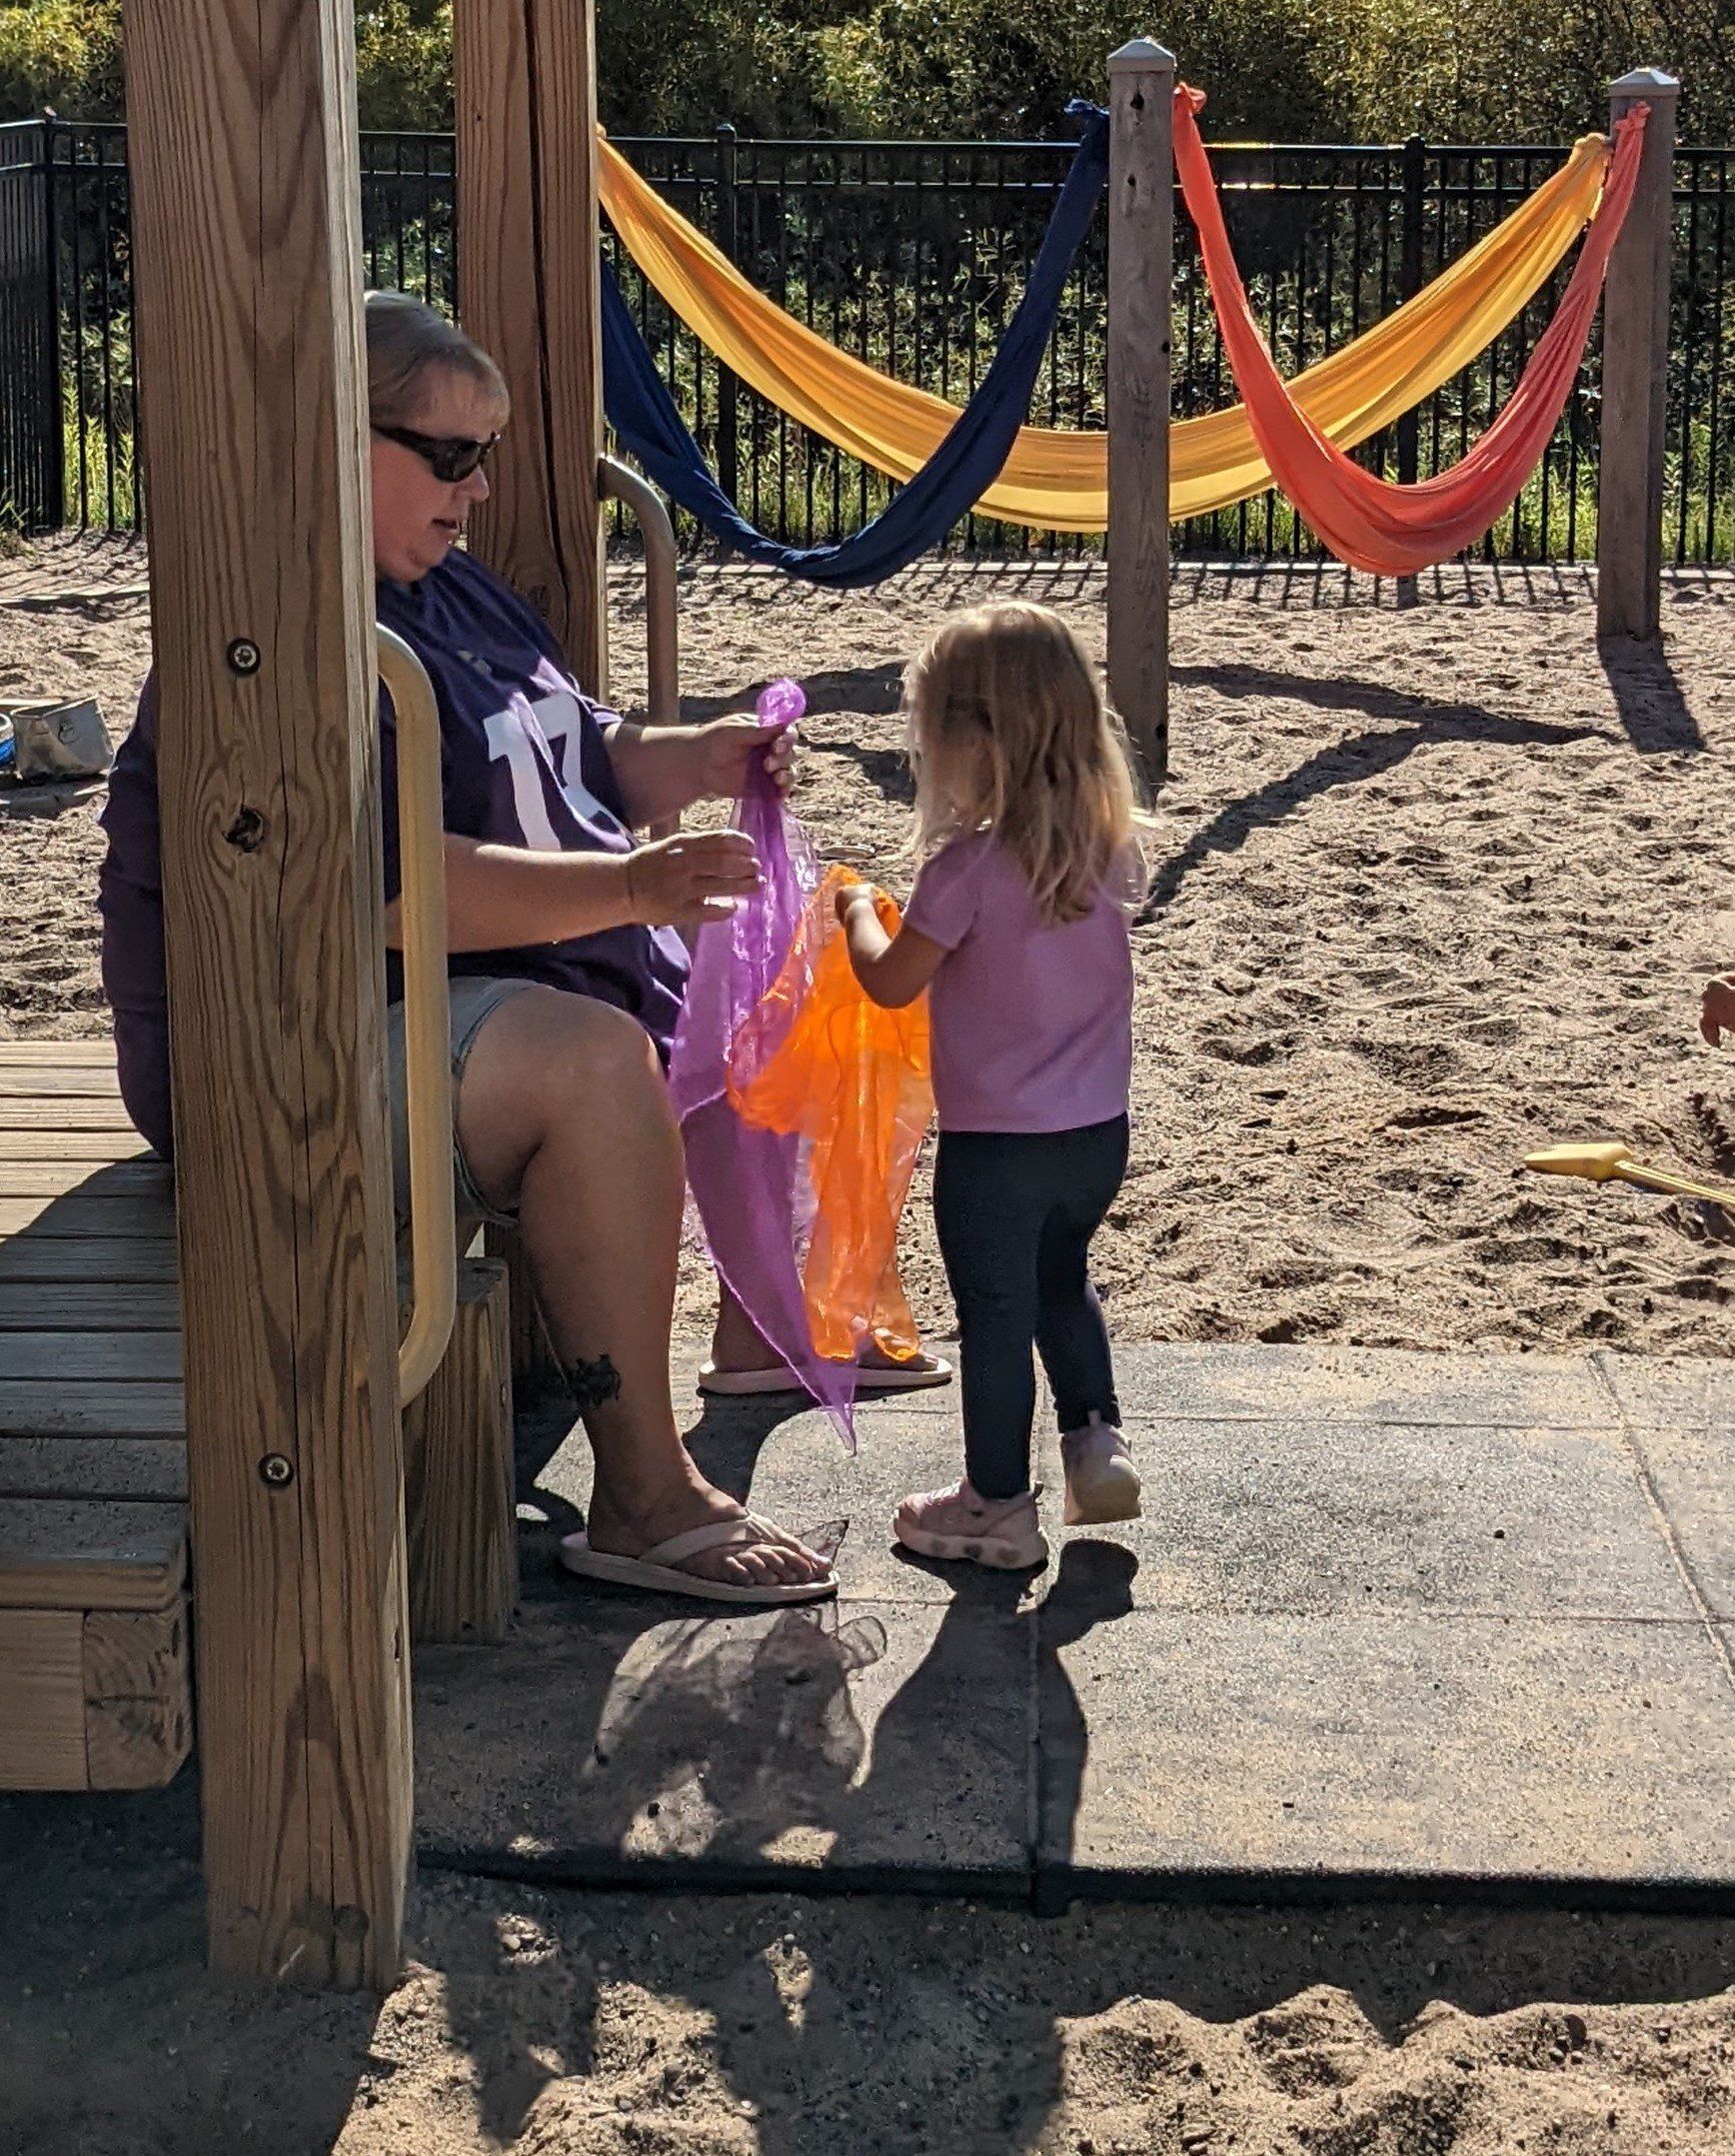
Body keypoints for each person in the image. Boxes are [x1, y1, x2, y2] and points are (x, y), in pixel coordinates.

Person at [98, 290, 923, 1605]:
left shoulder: (445, 588)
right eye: (449, 453)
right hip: (273, 1047)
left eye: (486, 453)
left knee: (788, 952)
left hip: (418, 996)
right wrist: (632, 883)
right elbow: (373, 895)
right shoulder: (283, 628)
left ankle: (764, 1319)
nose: (478, 488)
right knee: (593, 1062)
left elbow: (576, 746)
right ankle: (646, 1495)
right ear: (332, 438)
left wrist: (695, 759)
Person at [834, 603, 1146, 1570]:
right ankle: (1095, 1440)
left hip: (993, 1152)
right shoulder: (1107, 853)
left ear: (974, 742)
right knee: (1064, 1281)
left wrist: (853, 910)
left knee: (994, 1324)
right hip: (1093, 1135)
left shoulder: (963, 872)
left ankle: (995, 1506)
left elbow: (890, 981)